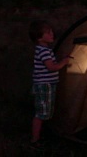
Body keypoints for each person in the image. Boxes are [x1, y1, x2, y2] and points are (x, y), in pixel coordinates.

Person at [28, 20, 71, 150]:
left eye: (51, 31)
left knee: (45, 111)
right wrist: (64, 62)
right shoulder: (44, 51)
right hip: (44, 86)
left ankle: (41, 134)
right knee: (41, 114)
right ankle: (35, 140)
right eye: (48, 32)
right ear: (39, 37)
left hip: (47, 85)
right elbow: (51, 67)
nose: (52, 34)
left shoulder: (44, 49)